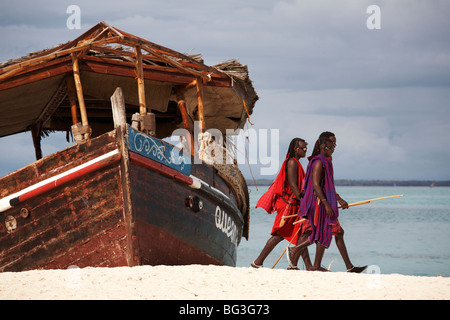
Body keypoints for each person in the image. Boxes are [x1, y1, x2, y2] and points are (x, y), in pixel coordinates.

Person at [298, 131, 367, 272]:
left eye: (335, 144)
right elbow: (317, 185)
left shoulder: (326, 161)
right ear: (323, 145)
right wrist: (327, 203)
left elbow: (328, 186)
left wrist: (339, 199)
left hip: (323, 202)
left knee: (325, 233)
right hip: (318, 204)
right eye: (331, 144)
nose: (334, 147)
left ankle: (318, 265)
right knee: (317, 233)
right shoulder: (319, 161)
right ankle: (298, 257)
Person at [252, 138, 313, 270]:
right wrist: (303, 199)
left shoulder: (295, 162)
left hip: (293, 204)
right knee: (279, 234)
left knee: (300, 233)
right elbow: (293, 184)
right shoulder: (292, 162)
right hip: (288, 205)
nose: (305, 151)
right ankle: (258, 262)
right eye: (303, 149)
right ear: (296, 149)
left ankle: (305, 266)